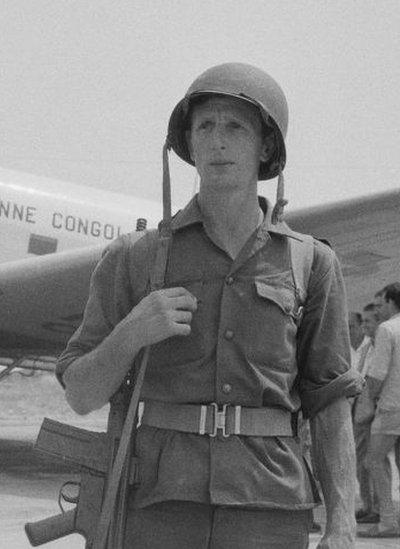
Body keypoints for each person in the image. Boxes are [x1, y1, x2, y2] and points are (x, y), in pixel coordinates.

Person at [56, 62, 362, 548]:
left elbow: (329, 403)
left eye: (235, 126)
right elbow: (80, 393)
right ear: (189, 144)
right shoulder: (135, 257)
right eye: (205, 127)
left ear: (265, 146)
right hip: (159, 502)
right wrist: (133, 331)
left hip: (269, 504)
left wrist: (343, 525)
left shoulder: (311, 263)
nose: (218, 141)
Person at [360, 282, 400, 537]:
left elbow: (377, 373)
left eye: (381, 304)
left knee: (373, 460)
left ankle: (387, 520)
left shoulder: (387, 329)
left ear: (391, 303)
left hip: (391, 407)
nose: (379, 310)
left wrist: (365, 402)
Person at [353, 303, 381, 524]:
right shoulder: (366, 348)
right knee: (362, 459)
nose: (365, 327)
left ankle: (378, 507)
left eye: (368, 322)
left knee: (373, 460)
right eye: (363, 322)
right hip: (360, 408)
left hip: (373, 408)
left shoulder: (381, 345)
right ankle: (368, 504)